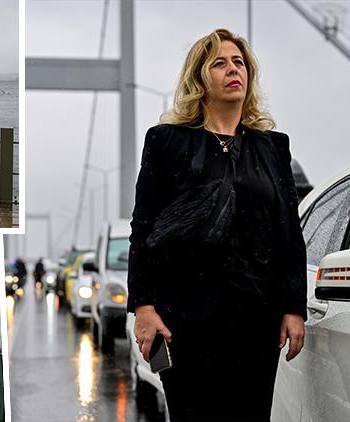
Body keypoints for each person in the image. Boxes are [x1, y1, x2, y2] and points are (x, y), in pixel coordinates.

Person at [128, 29, 306, 421]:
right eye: (220, 63)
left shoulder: (273, 148)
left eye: (239, 62)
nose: (232, 70)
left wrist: (295, 307)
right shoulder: (166, 142)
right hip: (184, 321)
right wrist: (143, 306)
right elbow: (142, 227)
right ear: (199, 78)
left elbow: (289, 233)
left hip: (257, 320)